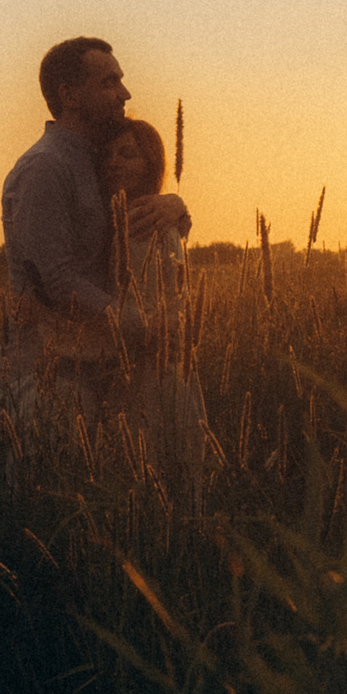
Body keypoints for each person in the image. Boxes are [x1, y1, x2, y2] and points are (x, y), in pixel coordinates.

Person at [0, 36, 147, 441]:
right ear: (70, 96)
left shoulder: (99, 164)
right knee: (43, 499)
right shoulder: (45, 169)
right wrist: (140, 324)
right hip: (51, 379)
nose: (125, 93)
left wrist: (174, 209)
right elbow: (55, 281)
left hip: (95, 373)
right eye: (109, 82)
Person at [97, 115, 213, 495]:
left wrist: (177, 208)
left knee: (160, 472)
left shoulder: (148, 220)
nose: (114, 161)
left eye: (127, 154)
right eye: (109, 154)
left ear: (152, 163)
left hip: (156, 368)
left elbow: (161, 305)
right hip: (137, 367)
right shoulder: (127, 216)